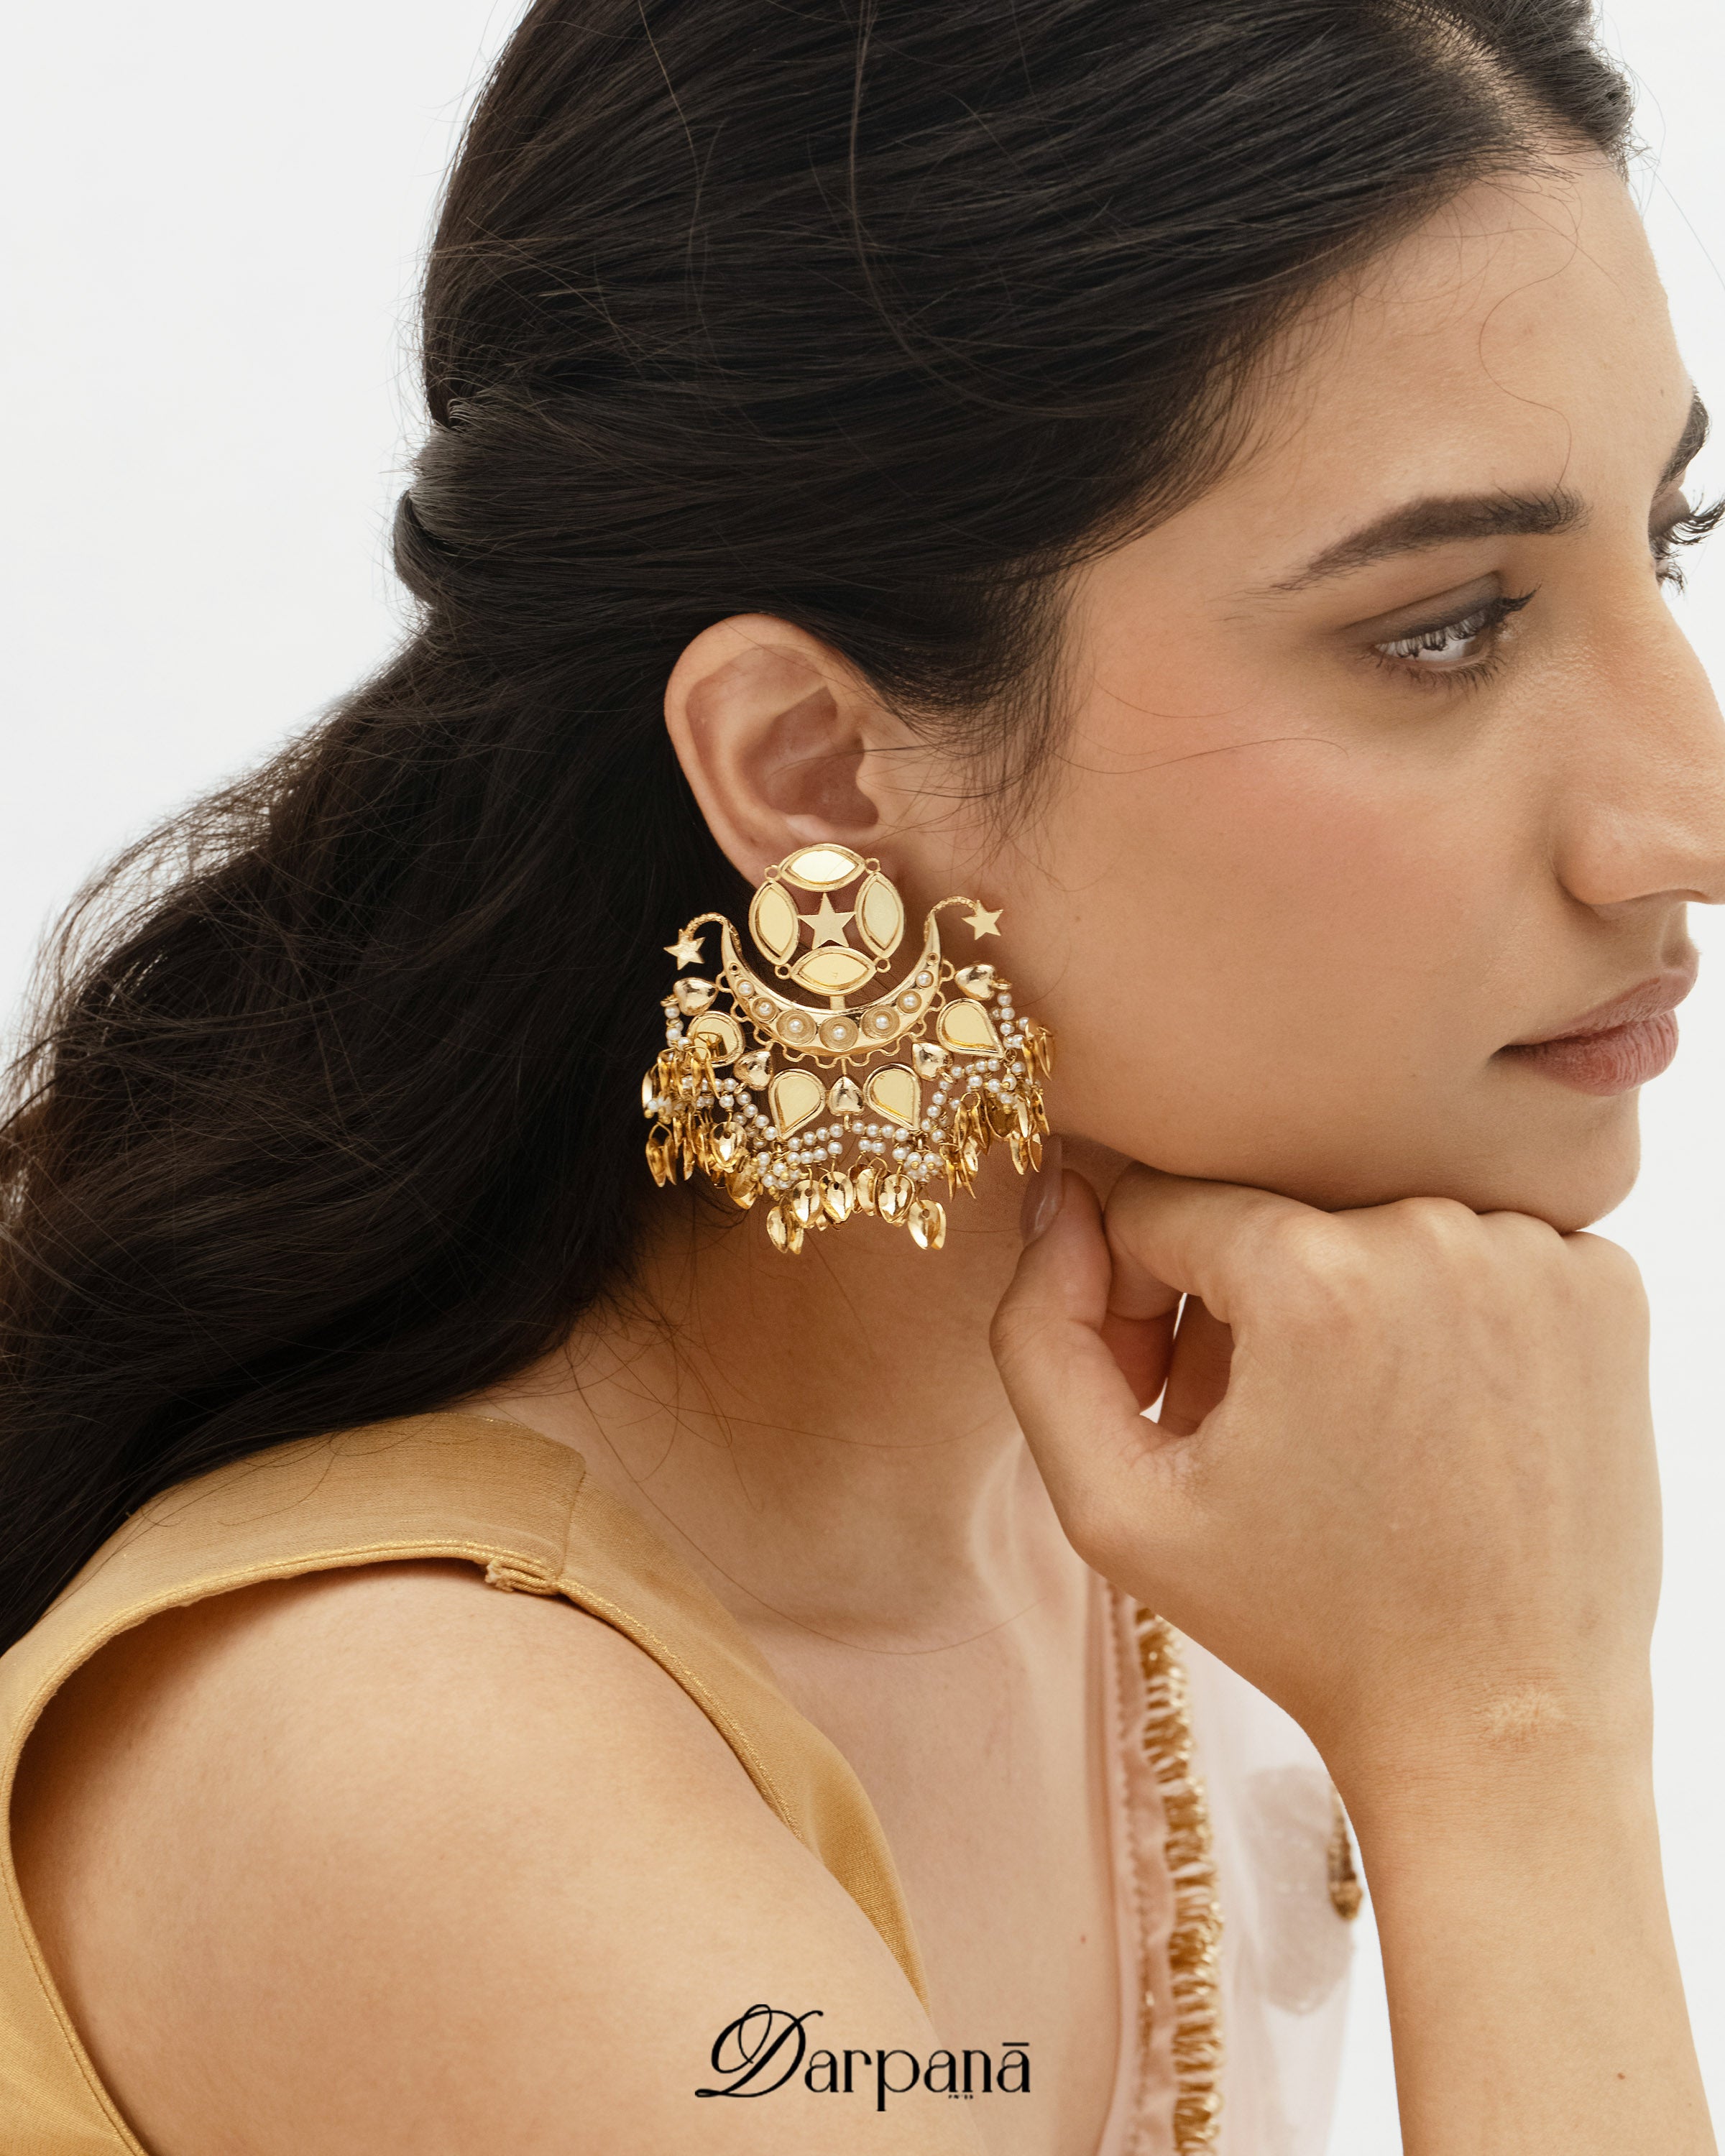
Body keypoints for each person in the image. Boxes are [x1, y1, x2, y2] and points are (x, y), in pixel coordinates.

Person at [0, 1, 1718, 2151]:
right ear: (816, 772)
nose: (1691, 813)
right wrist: (1511, 1747)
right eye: (1443, 624)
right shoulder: (415, 1765)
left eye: (1670, 541)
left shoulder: (1204, 1504)